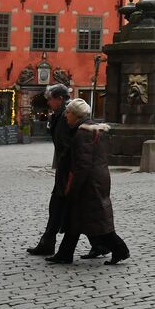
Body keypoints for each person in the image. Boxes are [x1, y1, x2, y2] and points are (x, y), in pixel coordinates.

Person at [47, 99, 129, 265]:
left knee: (97, 221)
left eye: (68, 112)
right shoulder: (89, 129)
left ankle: (120, 249)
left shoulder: (83, 133)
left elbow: (82, 164)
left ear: (76, 114)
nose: (65, 116)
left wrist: (73, 186)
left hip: (88, 183)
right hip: (95, 179)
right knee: (75, 218)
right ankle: (65, 253)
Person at [28, 84, 97, 257]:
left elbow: (67, 145)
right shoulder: (62, 114)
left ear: (59, 99)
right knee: (63, 207)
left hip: (68, 170)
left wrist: (67, 169)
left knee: (70, 208)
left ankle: (101, 242)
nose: (48, 103)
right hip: (65, 169)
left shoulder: (67, 116)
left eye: (50, 99)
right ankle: (49, 242)